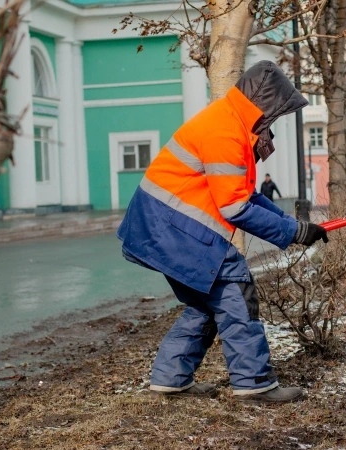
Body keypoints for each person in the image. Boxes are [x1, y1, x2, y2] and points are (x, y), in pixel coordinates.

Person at [117, 61, 329, 403]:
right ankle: (255, 385)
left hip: (162, 228)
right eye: (275, 114)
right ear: (263, 105)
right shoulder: (226, 132)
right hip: (174, 231)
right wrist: (292, 232)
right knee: (235, 290)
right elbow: (234, 207)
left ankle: (170, 381)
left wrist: (296, 227)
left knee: (205, 304)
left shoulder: (230, 122)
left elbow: (249, 195)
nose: (274, 124)